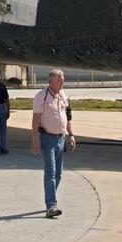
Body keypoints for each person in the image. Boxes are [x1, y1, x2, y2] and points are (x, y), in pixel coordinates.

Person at [31, 68, 76, 218]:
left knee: (59, 174)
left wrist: (71, 134)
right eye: (60, 79)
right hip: (47, 138)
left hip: (61, 138)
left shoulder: (63, 96)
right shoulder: (41, 96)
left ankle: (50, 199)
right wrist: (35, 138)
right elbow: (36, 119)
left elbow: (68, 117)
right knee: (50, 172)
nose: (63, 81)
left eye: (63, 79)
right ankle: (51, 205)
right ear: (51, 81)